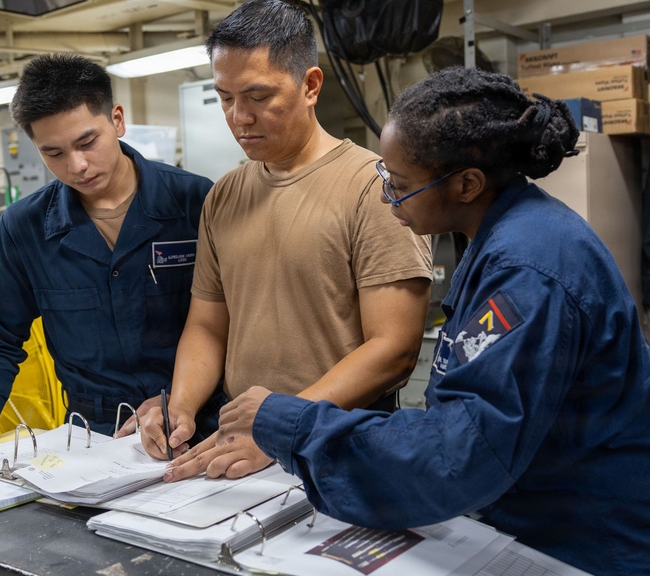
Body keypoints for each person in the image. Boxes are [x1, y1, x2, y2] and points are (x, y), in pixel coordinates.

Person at [212, 68, 650, 576]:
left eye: (400, 183)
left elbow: (462, 450)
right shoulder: (503, 237)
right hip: (560, 553)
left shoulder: (528, 267)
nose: (386, 194)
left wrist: (293, 423)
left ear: (466, 183)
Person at [130, 0, 433, 478]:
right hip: (241, 441)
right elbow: (209, 325)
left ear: (310, 85)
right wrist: (181, 406)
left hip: (340, 441)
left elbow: (393, 348)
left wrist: (278, 426)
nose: (238, 117)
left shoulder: (373, 187)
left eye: (257, 96)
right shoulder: (225, 194)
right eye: (225, 97)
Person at [0, 54, 216, 456]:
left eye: (87, 142)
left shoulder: (197, 202)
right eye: (54, 153)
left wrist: (185, 397)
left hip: (202, 422)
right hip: (92, 437)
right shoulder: (23, 228)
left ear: (116, 119)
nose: (77, 165)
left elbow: (240, 321)